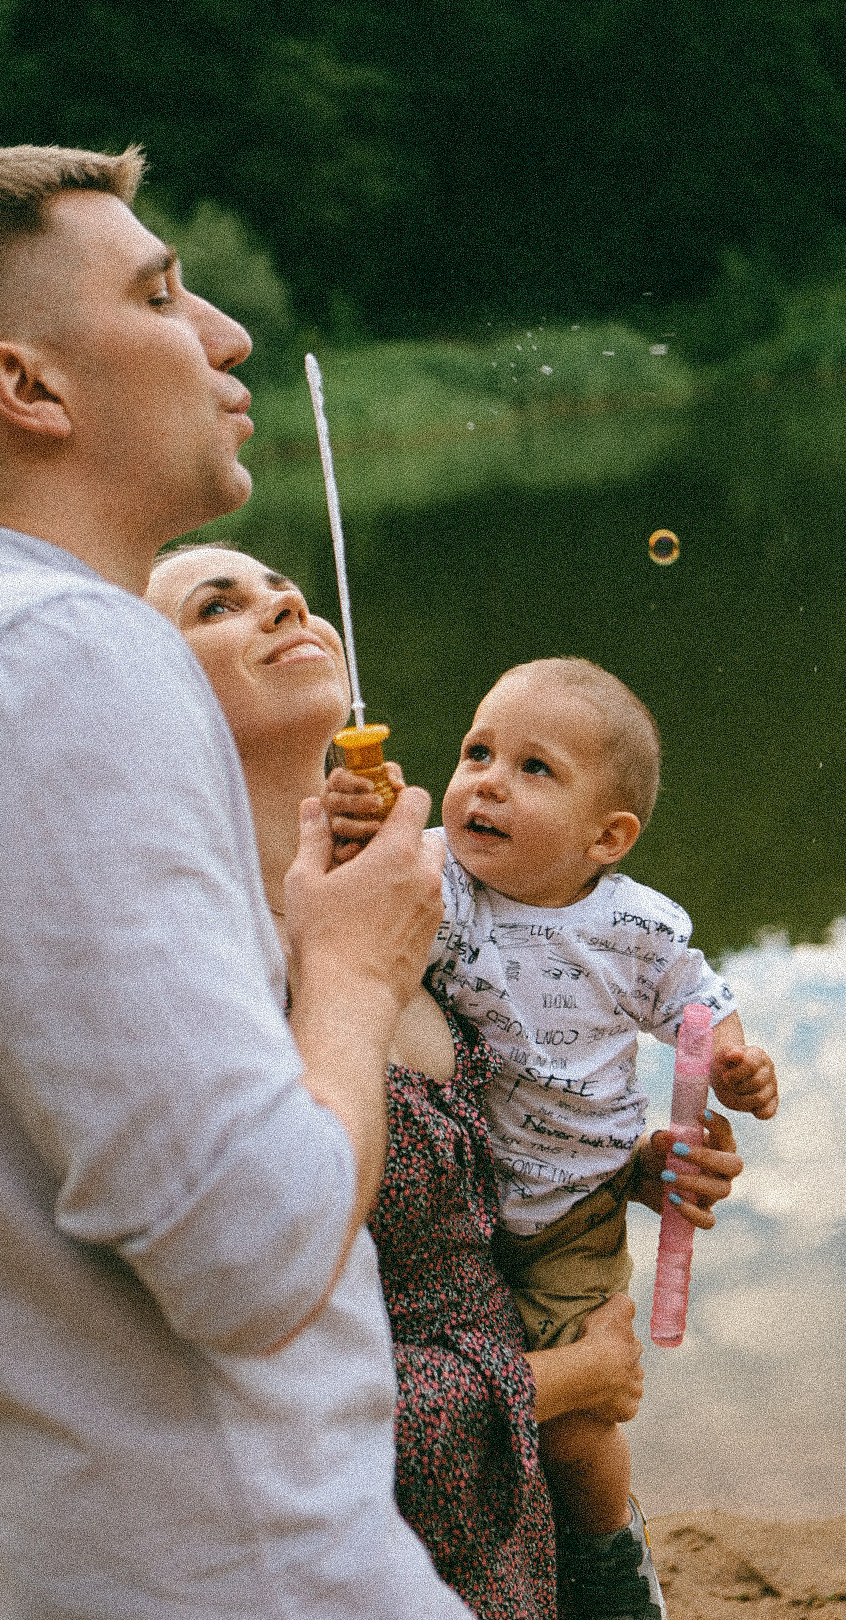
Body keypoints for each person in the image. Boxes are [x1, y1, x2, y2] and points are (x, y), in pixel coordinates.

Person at [0, 145, 475, 1620]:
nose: (227, 332)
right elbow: (255, 1248)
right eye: (161, 293)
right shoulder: (69, 653)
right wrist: (350, 971)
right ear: (31, 389)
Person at [145, 549, 745, 1620]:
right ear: (137, 685)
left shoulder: (422, 898)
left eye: (283, 584)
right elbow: (267, 1405)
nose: (280, 600)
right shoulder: (199, 967)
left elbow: (499, 1105)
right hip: (398, 1567)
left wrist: (624, 1165)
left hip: (518, 1517)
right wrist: (566, 1384)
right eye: (215, 605)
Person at [326, 655, 775, 1618]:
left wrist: (734, 1063)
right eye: (477, 750)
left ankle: (611, 1556)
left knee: (573, 1425)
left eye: (534, 769)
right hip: (474, 1191)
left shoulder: (634, 929)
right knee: (539, 1399)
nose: (485, 779)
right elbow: (376, 862)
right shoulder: (444, 875)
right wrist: (365, 810)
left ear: (608, 836)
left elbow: (701, 1003)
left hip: (578, 1202)